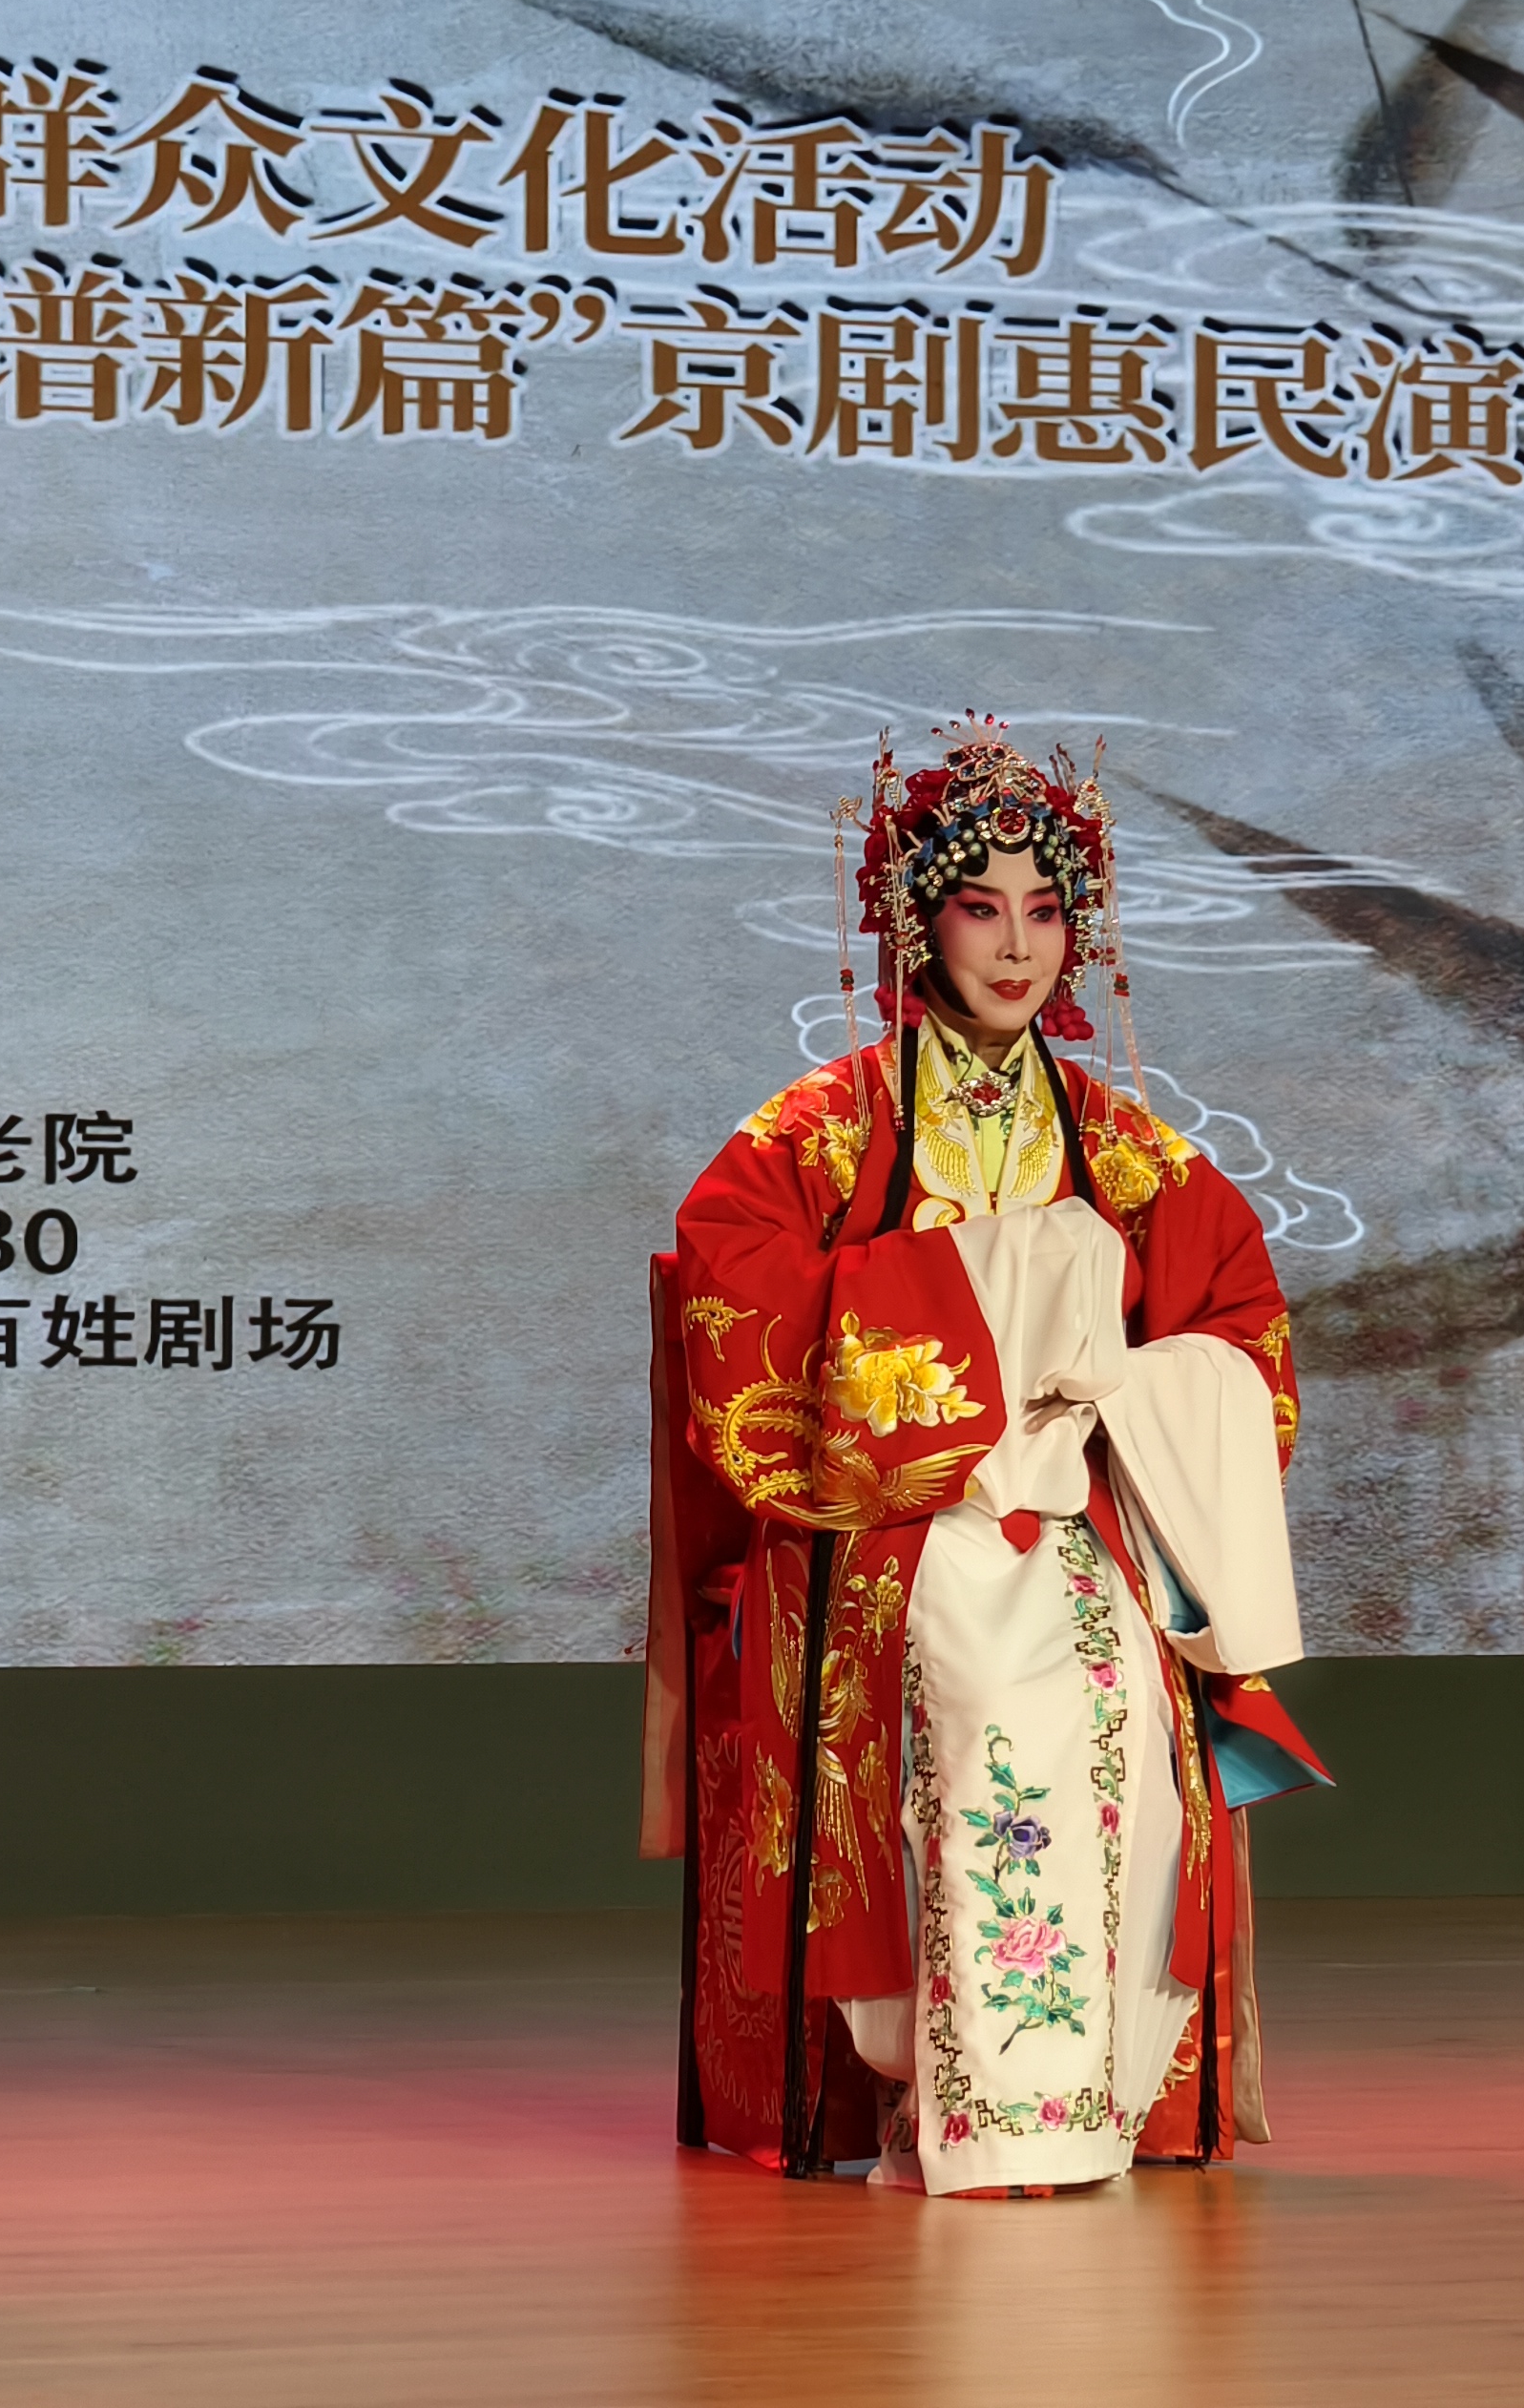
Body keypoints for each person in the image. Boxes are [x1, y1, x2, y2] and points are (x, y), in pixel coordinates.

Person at [649, 717, 1320, 2193]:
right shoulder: (820, 1136)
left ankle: (1079, 2102)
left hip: (1080, 1523)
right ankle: (950, 2105)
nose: (1017, 946)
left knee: (1132, 1756)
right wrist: (981, 1304)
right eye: (979, 907)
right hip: (905, 1534)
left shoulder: (1126, 1150)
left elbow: (1243, 1334)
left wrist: (1128, 1385)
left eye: (1044, 910)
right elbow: (729, 1303)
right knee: (975, 1740)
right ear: (919, 925)